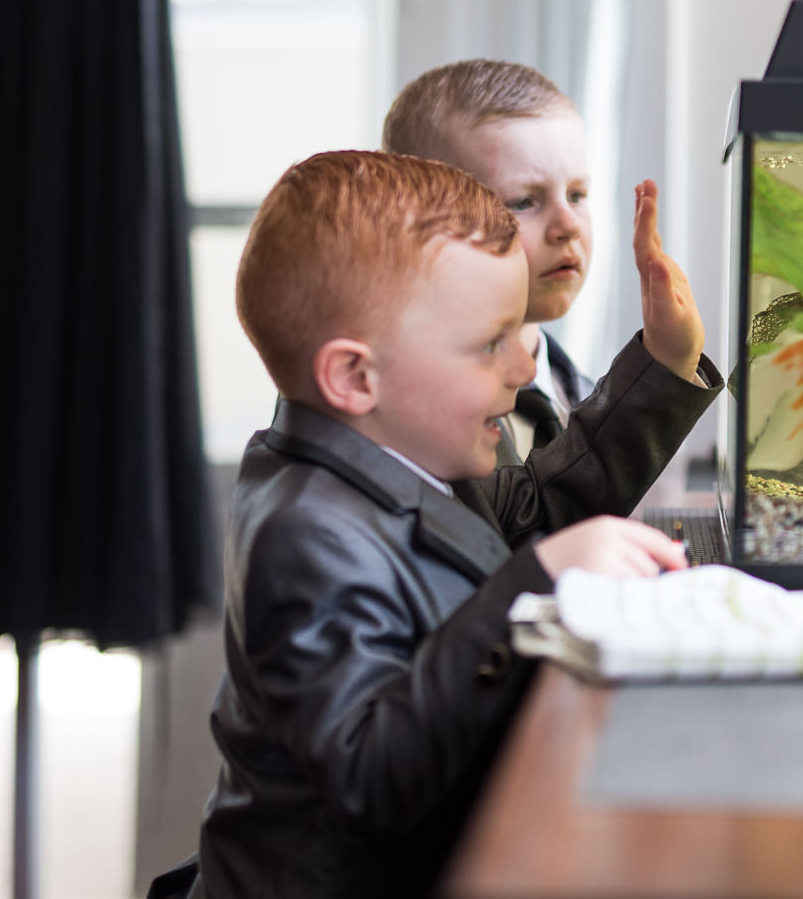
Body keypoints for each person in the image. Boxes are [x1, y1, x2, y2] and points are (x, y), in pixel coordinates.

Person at [185, 151, 720, 898]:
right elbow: (371, 777)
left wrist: (662, 367)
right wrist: (536, 582)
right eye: (488, 344)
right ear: (355, 377)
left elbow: (536, 512)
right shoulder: (304, 535)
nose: (525, 368)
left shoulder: (401, 456)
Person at [382, 61, 600, 464]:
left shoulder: (584, 398)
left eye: (577, 194)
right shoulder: (410, 431)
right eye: (522, 202)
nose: (567, 226)